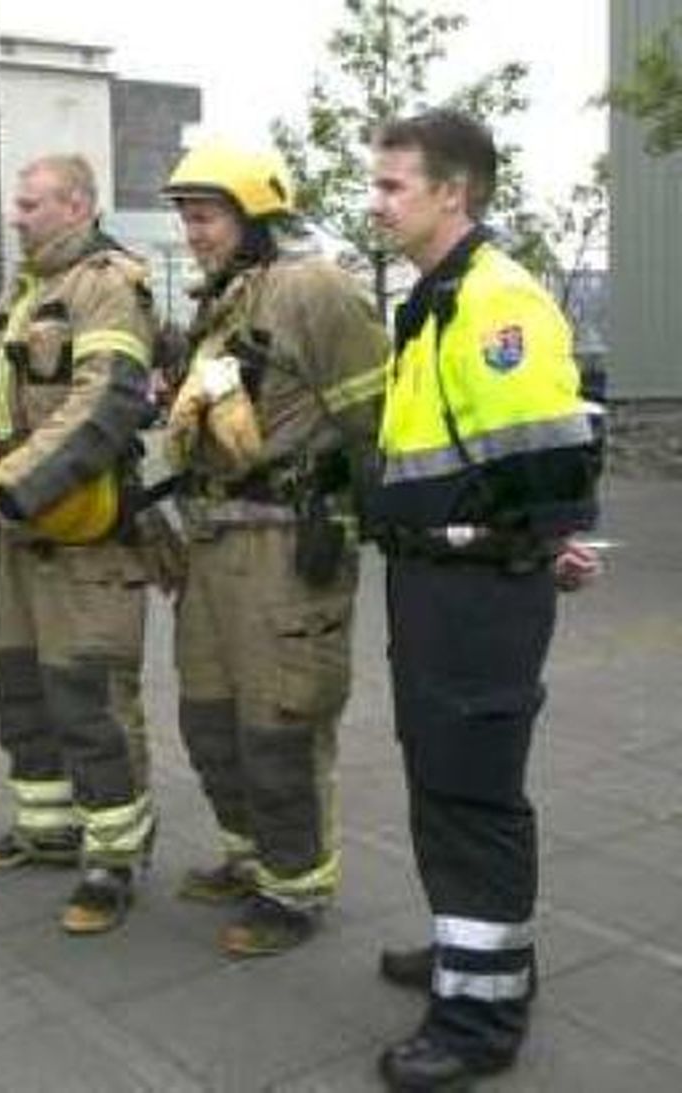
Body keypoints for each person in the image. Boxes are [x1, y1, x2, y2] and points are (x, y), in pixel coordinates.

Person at [366, 109, 602, 1090]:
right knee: (439, 775)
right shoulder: (435, 296)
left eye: (391, 186)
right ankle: (472, 948)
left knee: (470, 790)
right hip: (433, 581)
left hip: (473, 590)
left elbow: (545, 461)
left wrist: (545, 542)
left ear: (450, 192)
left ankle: (478, 1017)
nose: (373, 202)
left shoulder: (494, 304)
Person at [158, 142, 390, 956]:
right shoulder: (219, 302)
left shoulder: (314, 288)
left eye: (208, 216)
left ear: (257, 214)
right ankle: (250, 854)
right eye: (186, 217)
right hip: (213, 542)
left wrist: (347, 521)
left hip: (286, 546)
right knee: (209, 719)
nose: (193, 232)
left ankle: (295, 889)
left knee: (281, 722)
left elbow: (374, 418)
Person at [0, 154, 160, 934]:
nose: (15, 214)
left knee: (93, 699)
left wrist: (12, 482)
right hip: (21, 531)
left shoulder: (109, 284)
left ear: (76, 205)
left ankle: (114, 857)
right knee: (22, 690)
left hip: (86, 536)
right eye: (17, 201)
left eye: (30, 202)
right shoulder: (21, 288)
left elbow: (104, 398)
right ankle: (47, 827)